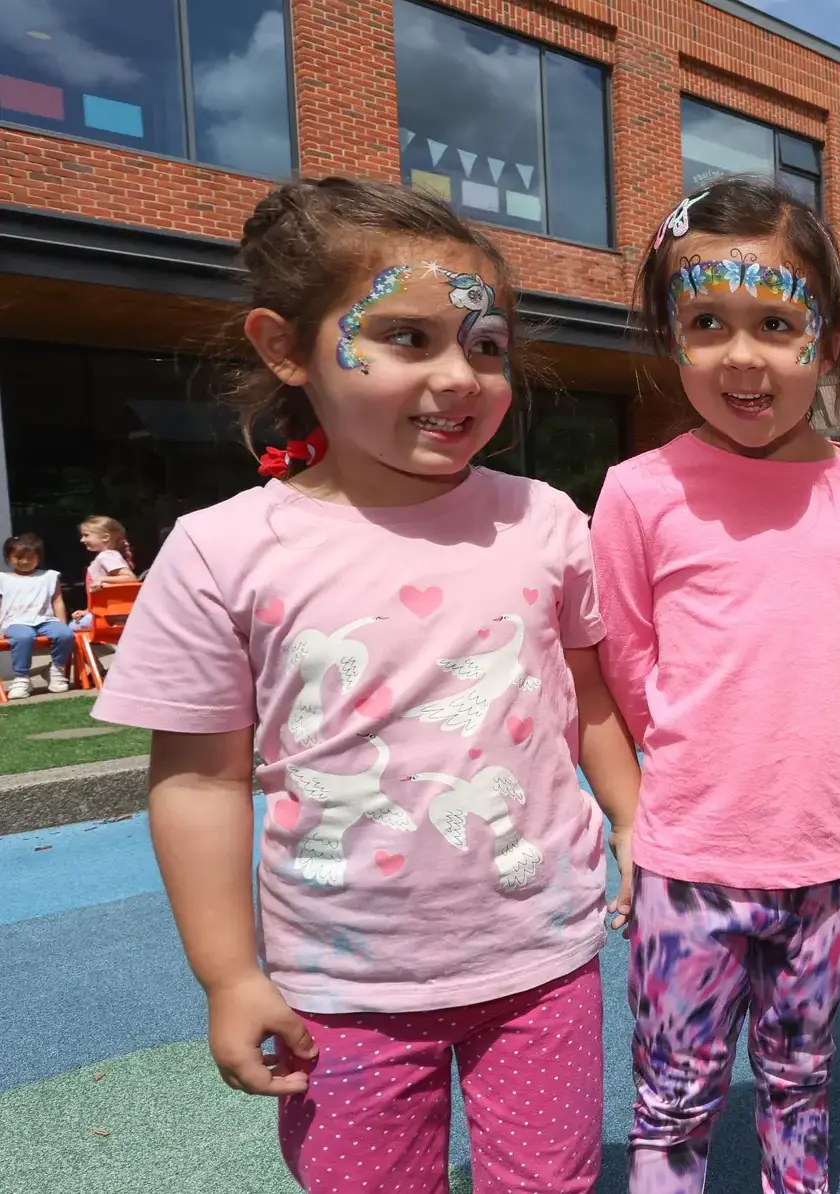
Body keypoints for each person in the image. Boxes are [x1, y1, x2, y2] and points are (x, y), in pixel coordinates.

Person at [91, 177, 640, 1194]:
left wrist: (633, 822)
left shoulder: (546, 522)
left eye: (485, 345)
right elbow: (201, 782)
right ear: (284, 347)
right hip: (338, 988)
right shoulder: (223, 551)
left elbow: (586, 696)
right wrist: (230, 975)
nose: (459, 375)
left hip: (541, 960)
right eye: (404, 337)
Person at [590, 175, 840, 1193]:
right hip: (690, 864)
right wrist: (661, 806)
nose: (741, 356)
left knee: (798, 1085)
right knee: (673, 1099)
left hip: (825, 862)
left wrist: (832, 804)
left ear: (826, 336)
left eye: (775, 322)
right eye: (705, 322)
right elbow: (629, 668)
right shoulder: (638, 493)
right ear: (668, 337)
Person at [2, 532, 76, 698]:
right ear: (9, 557)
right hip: (15, 622)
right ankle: (21, 678)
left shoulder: (49, 576)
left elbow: (57, 601)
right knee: (24, 637)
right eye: (18, 558)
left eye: (30, 557)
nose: (25, 562)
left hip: (45, 619)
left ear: (39, 557)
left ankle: (56, 671)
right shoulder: (3, 579)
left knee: (65, 634)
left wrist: (62, 623)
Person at [71, 515, 139, 629]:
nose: (82, 540)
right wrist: (87, 611)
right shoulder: (105, 557)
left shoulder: (107, 556)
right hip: (105, 612)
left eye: (86, 535)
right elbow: (103, 593)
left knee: (72, 628)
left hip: (110, 615)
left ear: (105, 537)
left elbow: (130, 578)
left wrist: (102, 579)